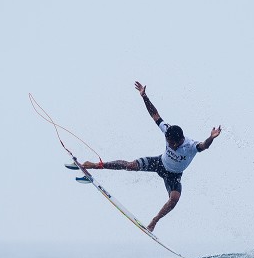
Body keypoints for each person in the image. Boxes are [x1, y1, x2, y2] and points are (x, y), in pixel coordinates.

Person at [80, 81, 222, 232]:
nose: (169, 145)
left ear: (180, 140)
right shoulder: (167, 130)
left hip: (173, 176)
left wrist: (211, 137)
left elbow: (204, 146)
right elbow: (155, 115)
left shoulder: (191, 146)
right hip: (159, 163)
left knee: (174, 199)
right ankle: (96, 165)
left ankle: (154, 221)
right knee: (130, 165)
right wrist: (144, 96)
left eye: (171, 143)